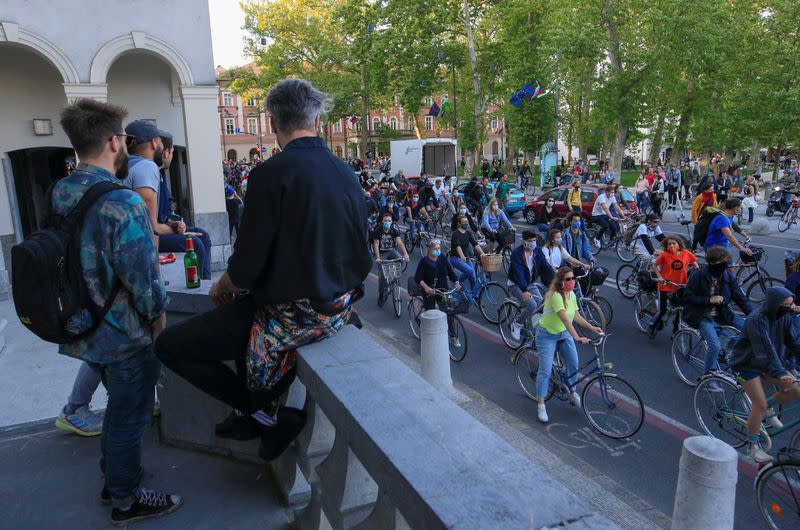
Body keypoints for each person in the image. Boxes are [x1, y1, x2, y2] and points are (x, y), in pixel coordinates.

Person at [155, 78, 370, 463]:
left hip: (292, 315)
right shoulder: (346, 172)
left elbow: (247, 266)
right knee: (242, 318)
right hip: (337, 308)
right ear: (317, 119)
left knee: (169, 346)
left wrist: (222, 284)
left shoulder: (270, 174)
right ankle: (253, 415)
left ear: (272, 123)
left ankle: (259, 412)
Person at [54, 99, 178, 524]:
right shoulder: (123, 203)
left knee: (116, 411)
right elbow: (143, 278)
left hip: (83, 324)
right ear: (112, 141)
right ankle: (126, 500)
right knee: (129, 417)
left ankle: (114, 480)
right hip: (124, 334)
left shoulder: (63, 190)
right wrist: (159, 321)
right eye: (123, 137)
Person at [123, 124, 213, 279]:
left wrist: (173, 225)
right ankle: (201, 291)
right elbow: (152, 228)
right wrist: (177, 230)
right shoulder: (146, 166)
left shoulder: (127, 164)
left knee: (200, 236)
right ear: (154, 143)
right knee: (196, 243)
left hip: (130, 238)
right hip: (138, 241)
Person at [731, 286, 800, 462]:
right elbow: (766, 348)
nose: (790, 307)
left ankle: (767, 411)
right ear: (773, 304)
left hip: (767, 363)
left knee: (796, 390)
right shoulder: (757, 319)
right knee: (759, 404)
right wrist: (780, 372)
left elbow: (793, 342)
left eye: (791, 304)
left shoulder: (783, 317)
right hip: (748, 363)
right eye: (786, 304)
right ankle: (752, 446)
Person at [534, 267, 603, 423]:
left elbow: (575, 315)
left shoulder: (572, 294)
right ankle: (541, 404)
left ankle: (572, 391)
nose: (572, 282)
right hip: (547, 335)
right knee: (545, 371)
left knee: (573, 362)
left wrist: (591, 327)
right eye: (568, 279)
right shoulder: (556, 296)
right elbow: (565, 318)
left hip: (564, 333)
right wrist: (578, 337)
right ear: (560, 282)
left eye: (573, 279)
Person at [682, 246, 752, 375]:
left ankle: (727, 350)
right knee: (714, 345)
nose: (723, 266)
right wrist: (709, 300)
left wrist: (754, 316)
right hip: (702, 314)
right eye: (719, 263)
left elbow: (740, 298)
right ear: (711, 263)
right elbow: (687, 297)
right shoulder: (698, 275)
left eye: (724, 263)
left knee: (749, 329)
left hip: (722, 313)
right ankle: (709, 377)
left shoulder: (727, 276)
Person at [414, 239, 462, 347]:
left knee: (448, 313)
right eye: (435, 248)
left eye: (439, 248)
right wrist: (426, 288)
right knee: (430, 314)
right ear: (429, 249)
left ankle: (453, 336)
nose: (437, 250)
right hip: (430, 291)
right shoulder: (424, 262)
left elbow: (450, 272)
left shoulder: (442, 258)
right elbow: (418, 278)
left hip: (443, 289)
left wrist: (456, 282)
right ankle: (428, 335)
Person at [648, 236, 699, 338]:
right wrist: (660, 277)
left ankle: (675, 330)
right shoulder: (665, 255)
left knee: (679, 310)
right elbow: (654, 266)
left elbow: (695, 264)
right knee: (662, 311)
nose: (671, 245)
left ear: (679, 244)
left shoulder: (686, 253)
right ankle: (652, 326)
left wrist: (695, 270)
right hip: (665, 285)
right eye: (669, 244)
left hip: (679, 286)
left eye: (673, 243)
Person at [507, 230, 550, 340]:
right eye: (530, 241)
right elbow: (518, 273)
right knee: (531, 305)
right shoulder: (517, 253)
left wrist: (557, 281)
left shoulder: (538, 251)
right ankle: (516, 324)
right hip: (516, 284)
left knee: (541, 305)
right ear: (524, 242)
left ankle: (532, 328)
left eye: (534, 241)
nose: (533, 243)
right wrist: (525, 290)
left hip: (529, 283)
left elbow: (546, 268)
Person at [371, 213, 410, 306]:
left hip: (391, 251)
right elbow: (376, 245)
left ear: (392, 221)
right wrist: (378, 257)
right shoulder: (377, 230)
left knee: (400, 260)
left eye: (389, 220)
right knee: (383, 278)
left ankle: (393, 278)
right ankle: (381, 295)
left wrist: (405, 254)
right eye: (386, 220)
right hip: (382, 254)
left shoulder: (394, 230)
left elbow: (399, 243)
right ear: (382, 221)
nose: (387, 222)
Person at [449, 214, 487, 299]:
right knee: (469, 271)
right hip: (455, 258)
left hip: (466, 257)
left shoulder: (468, 232)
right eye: (464, 222)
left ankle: (475, 296)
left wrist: (482, 253)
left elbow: (475, 244)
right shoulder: (455, 234)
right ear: (459, 223)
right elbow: (458, 246)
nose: (466, 223)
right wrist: (462, 256)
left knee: (473, 276)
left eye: (467, 222)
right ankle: (457, 284)